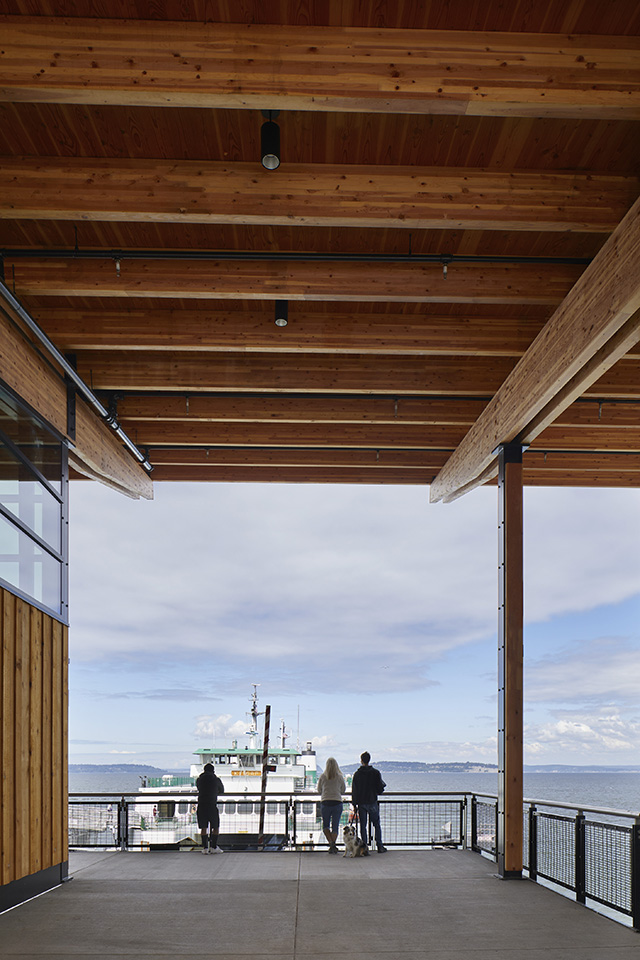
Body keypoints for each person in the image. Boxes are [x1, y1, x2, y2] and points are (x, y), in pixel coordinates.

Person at [351, 751, 387, 852]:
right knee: (376, 824)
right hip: (372, 801)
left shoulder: (357, 774)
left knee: (363, 826)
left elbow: (355, 790)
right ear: (369, 760)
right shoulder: (375, 773)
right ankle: (379, 845)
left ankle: (364, 847)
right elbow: (380, 789)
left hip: (361, 803)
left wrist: (354, 804)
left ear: (361, 760)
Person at [317, 757, 346, 854]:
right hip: (337, 803)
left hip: (325, 802)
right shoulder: (340, 777)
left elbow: (319, 790)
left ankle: (331, 844)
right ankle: (333, 845)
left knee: (325, 826)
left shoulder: (322, 776)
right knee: (335, 826)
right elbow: (343, 790)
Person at [196, 762, 225, 854]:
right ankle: (213, 847)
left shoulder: (199, 780)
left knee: (203, 828)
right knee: (215, 827)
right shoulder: (216, 780)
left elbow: (198, 788)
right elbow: (222, 790)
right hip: (212, 805)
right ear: (213, 771)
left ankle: (205, 848)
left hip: (201, 805)